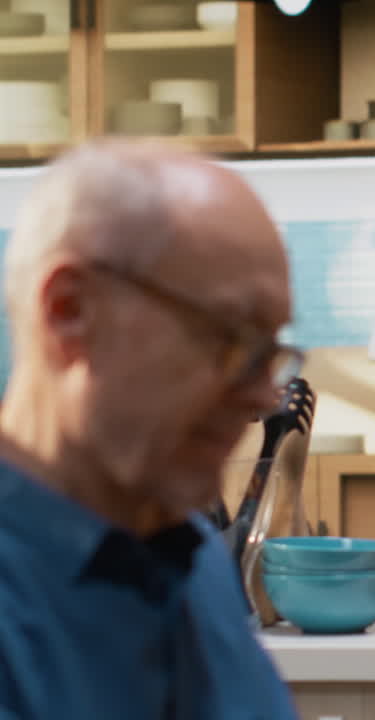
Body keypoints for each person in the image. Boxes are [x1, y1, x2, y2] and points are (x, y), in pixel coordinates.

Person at [0, 140, 305, 718]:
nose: (265, 396)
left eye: (269, 353)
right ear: (69, 311)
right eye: (232, 337)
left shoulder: (197, 561)